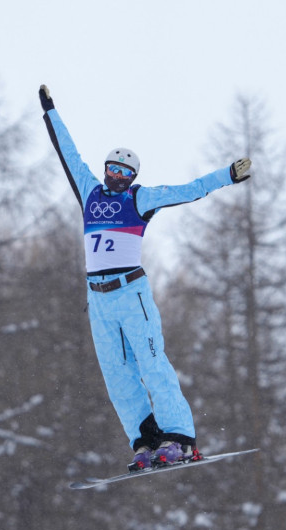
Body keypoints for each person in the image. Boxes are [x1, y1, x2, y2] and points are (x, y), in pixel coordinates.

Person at [39, 84, 251, 471]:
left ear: (133, 176)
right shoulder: (89, 192)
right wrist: (50, 110)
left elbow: (188, 190)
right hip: (99, 300)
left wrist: (228, 176)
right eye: (113, 168)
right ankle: (146, 441)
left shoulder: (139, 199)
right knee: (117, 375)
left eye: (125, 172)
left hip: (130, 292)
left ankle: (180, 439)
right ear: (105, 170)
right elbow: (68, 153)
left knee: (152, 365)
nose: (117, 176)